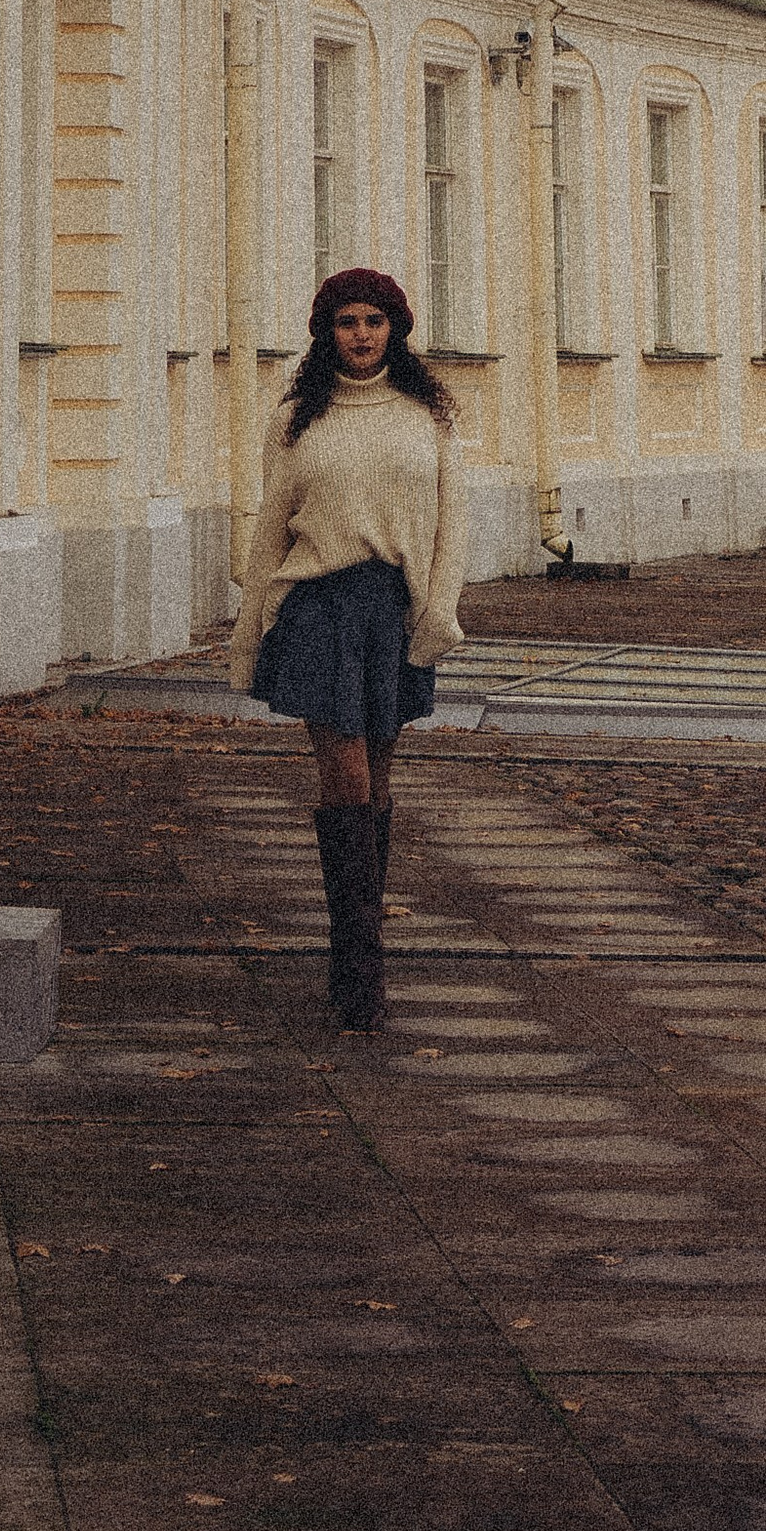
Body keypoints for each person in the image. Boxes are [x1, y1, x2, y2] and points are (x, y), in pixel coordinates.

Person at [228, 266, 465, 1030]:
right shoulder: (298, 416)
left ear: (395, 329)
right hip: (319, 610)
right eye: (345, 322)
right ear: (324, 333)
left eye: (373, 321)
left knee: (382, 781)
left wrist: (436, 613)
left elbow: (449, 527)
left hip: (391, 611)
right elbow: (272, 523)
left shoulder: (425, 417)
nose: (360, 335)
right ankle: (361, 967)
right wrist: (252, 626)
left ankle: (352, 955)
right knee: (350, 778)